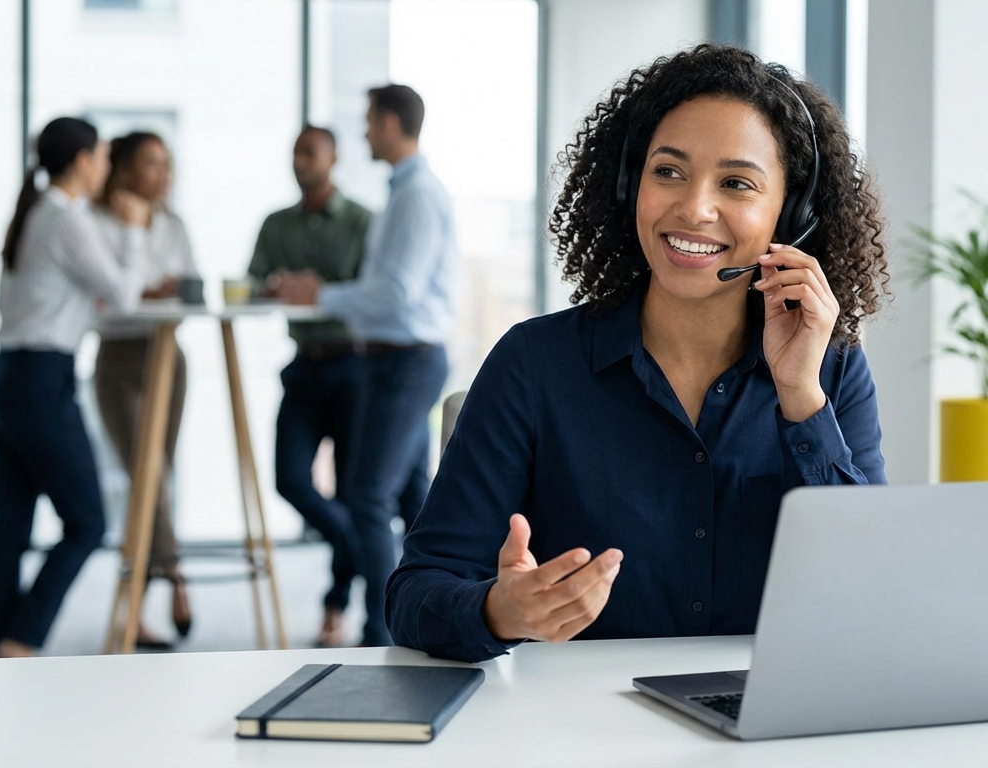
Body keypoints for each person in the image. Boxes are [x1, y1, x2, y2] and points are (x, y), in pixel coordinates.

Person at [385, 45, 890, 663]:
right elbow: (415, 594)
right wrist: (500, 609)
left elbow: (871, 592)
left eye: (736, 183)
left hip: (769, 724)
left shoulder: (830, 368)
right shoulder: (534, 365)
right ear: (632, 186)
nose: (693, 208)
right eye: (668, 171)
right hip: (587, 733)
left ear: (793, 214)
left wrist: (801, 400)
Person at [278, 85, 457, 648]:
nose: (361, 133)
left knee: (368, 496)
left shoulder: (417, 196)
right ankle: (436, 613)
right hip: (389, 362)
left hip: (405, 363)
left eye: (367, 122)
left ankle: (386, 631)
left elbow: (397, 293)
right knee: (408, 500)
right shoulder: (401, 193)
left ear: (388, 123)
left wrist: (322, 297)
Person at [250, 125, 428, 648]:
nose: (299, 161)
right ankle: (358, 544)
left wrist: (318, 292)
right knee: (291, 479)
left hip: (355, 368)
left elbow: (373, 292)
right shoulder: (275, 223)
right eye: (294, 151)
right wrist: (278, 288)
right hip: (304, 366)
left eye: (310, 152)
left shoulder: (362, 220)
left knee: (358, 492)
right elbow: (258, 281)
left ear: (333, 159)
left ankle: (338, 604)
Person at [0, 117, 150, 658]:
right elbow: (123, 296)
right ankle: (21, 639)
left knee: (12, 522)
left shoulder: (37, 212)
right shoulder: (67, 217)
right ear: (82, 160)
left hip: (6, 377)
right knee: (87, 521)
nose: (105, 167)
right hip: (39, 381)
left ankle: (3, 646)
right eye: (101, 157)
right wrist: (134, 227)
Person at [90, 131, 197, 649]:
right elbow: (110, 300)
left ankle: (136, 612)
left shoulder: (173, 224)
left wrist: (151, 291)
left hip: (167, 355)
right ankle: (175, 576)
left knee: (158, 479)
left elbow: (188, 284)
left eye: (166, 163)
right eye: (152, 164)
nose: (163, 174)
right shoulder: (97, 222)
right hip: (119, 359)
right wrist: (149, 290)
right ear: (126, 169)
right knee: (145, 475)